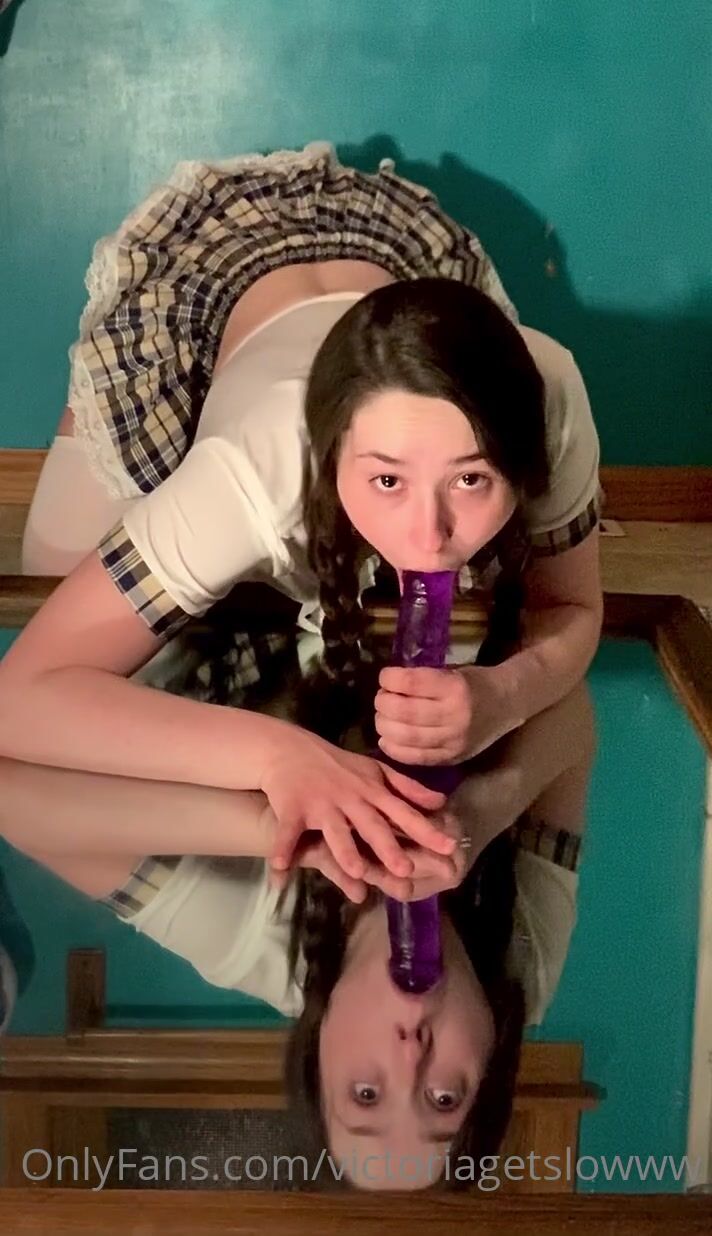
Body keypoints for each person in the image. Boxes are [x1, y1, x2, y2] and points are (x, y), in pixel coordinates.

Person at [0, 140, 602, 886]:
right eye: (387, 481)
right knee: (55, 593)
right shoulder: (253, 470)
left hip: (380, 272)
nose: (429, 534)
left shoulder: (548, 393)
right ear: (331, 455)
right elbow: (18, 700)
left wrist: (503, 698)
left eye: (471, 479)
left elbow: (572, 605)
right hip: (217, 308)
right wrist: (276, 756)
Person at [0, 679, 595, 1189]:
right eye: (443, 1099)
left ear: (318, 1051)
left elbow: (12, 794)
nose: (411, 1055)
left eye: (365, 1094)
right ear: (493, 1057)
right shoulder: (524, 967)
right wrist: (482, 811)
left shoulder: (254, 943)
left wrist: (275, 830)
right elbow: (574, 715)